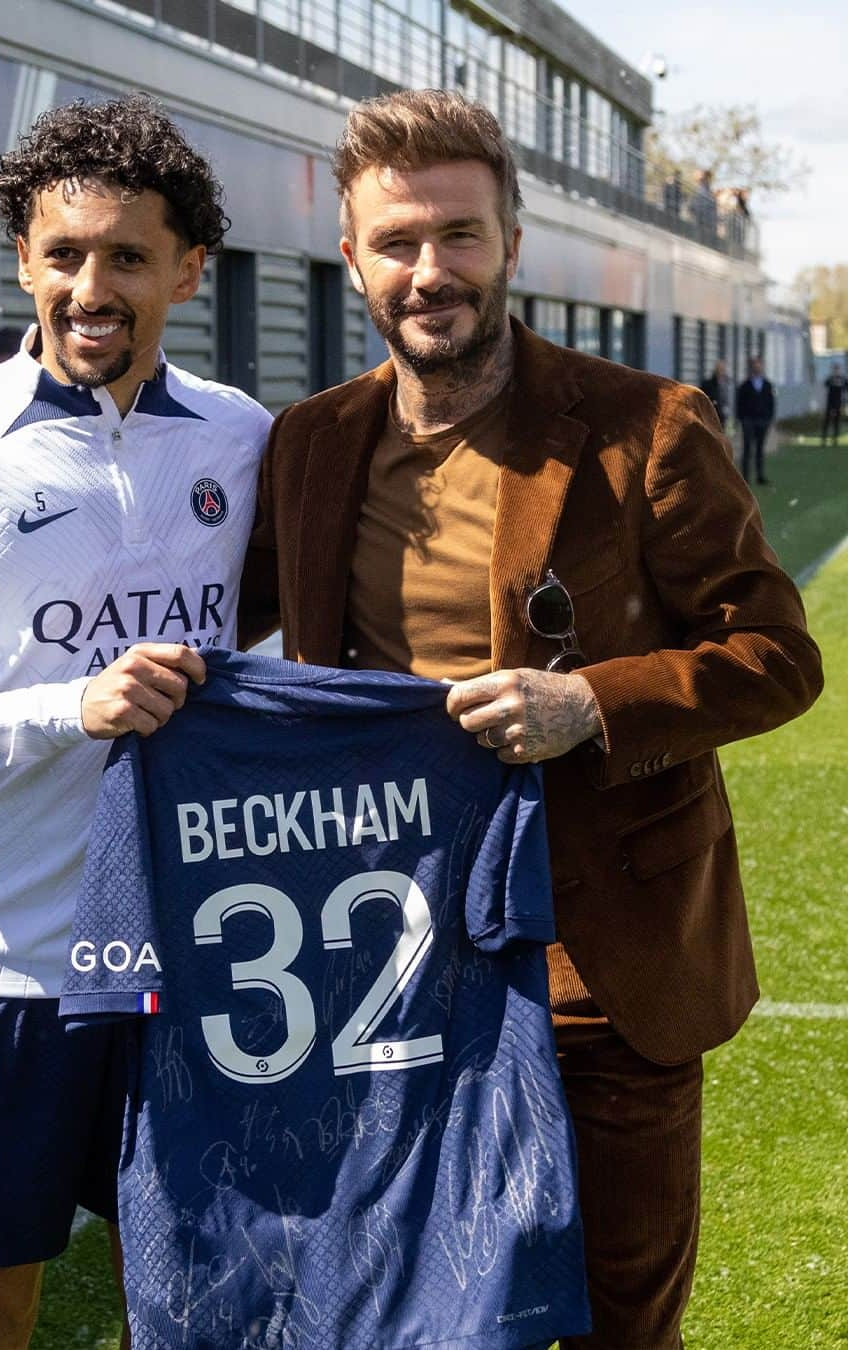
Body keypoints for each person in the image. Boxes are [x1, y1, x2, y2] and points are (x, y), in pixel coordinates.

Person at [239, 89, 823, 1349]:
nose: (429, 270)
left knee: (623, 1320)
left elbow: (778, 655)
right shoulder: (310, 444)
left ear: (511, 242)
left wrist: (592, 701)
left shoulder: (642, 426)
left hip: (604, 959)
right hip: (390, 965)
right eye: (397, 241)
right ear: (351, 256)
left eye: (459, 235)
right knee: (431, 1312)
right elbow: (206, 623)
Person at [0, 95, 272, 1350]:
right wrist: (69, 708)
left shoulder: (245, 441)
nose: (90, 288)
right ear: (21, 254)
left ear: (190, 269)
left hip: (192, 960)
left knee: (194, 1295)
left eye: (127, 255)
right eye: (62, 253)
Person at [735, 354, 776, 484]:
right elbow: (739, 403)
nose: (757, 367)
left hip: (762, 420)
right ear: (752, 367)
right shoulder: (745, 385)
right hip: (748, 421)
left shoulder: (768, 385)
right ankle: (745, 477)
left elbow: (771, 403)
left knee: (760, 448)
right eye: (755, 365)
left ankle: (760, 475)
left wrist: (769, 418)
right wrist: (741, 419)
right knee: (747, 448)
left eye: (759, 364)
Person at [700, 356, 730, 427]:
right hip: (712, 417)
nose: (721, 371)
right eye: (719, 369)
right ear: (715, 370)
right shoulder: (707, 384)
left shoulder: (728, 383)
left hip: (726, 417)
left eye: (723, 369)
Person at [822, 361, 845, 444]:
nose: (836, 371)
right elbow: (825, 384)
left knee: (837, 421)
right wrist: (832, 379)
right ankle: (824, 439)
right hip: (830, 402)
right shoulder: (830, 379)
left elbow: (845, 388)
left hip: (838, 403)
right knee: (827, 421)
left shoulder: (842, 379)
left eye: (837, 369)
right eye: (835, 369)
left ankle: (835, 439)